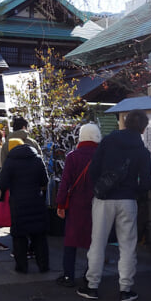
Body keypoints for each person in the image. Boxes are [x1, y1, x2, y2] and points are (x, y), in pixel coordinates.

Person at [77, 109, 151, 301]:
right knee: (128, 245)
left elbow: (93, 169)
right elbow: (145, 182)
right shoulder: (142, 150)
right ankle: (125, 289)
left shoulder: (108, 141)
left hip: (104, 199)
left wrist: (100, 188)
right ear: (143, 129)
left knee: (98, 242)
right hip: (128, 200)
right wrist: (134, 193)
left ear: (125, 123)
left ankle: (92, 286)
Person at [55, 122, 101, 287]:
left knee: (71, 241)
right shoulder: (101, 156)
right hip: (98, 204)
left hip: (76, 205)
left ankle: (68, 276)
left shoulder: (73, 156)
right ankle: (91, 276)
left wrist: (60, 204)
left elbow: (65, 182)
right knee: (94, 241)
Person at [0, 137, 50, 273]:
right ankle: (43, 266)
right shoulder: (37, 159)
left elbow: (3, 184)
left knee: (19, 236)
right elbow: (45, 180)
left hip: (18, 203)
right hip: (36, 201)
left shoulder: (10, 161)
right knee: (39, 236)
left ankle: (21, 267)